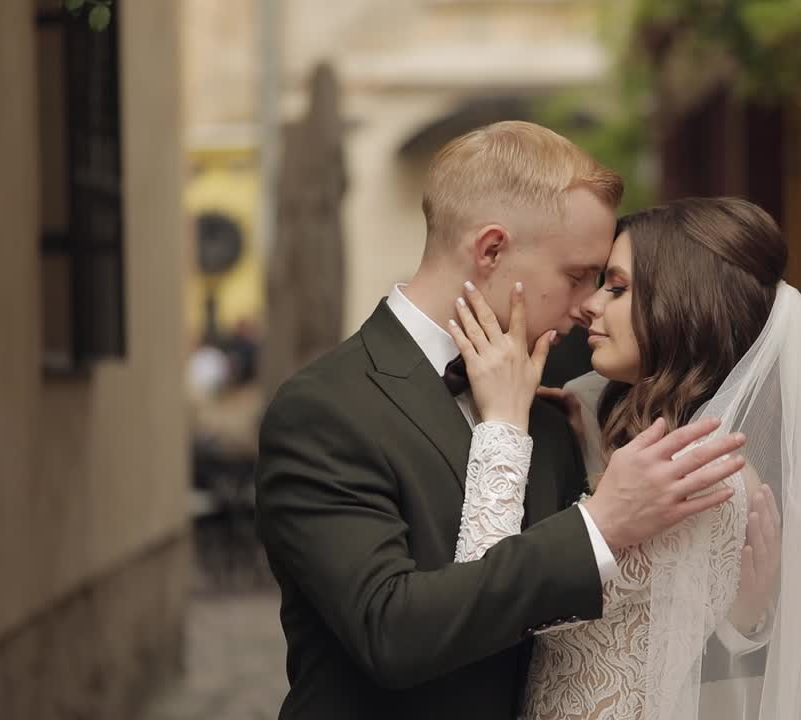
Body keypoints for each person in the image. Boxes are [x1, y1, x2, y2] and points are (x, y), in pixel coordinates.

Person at [253, 122, 749, 720]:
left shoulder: (553, 412)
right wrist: (601, 525)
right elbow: (390, 632)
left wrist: (735, 607)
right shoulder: (326, 409)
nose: (586, 303)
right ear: (491, 250)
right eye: (576, 275)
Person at [449, 197, 801, 719]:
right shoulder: (661, 445)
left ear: (681, 304)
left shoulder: (697, 474)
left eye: (617, 288)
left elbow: (489, 600)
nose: (591, 304)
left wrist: (503, 425)